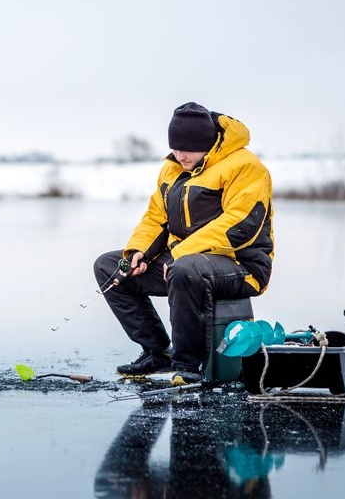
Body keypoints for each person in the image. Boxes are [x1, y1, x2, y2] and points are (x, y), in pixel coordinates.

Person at [93, 101, 273, 386]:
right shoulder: (172, 169)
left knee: (185, 269)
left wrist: (181, 253)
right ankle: (156, 351)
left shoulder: (246, 167)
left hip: (242, 266)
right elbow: (156, 218)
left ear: (207, 143)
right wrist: (139, 252)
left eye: (186, 149)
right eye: (175, 148)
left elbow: (241, 225)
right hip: (183, 262)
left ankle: (187, 364)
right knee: (109, 267)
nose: (179, 155)